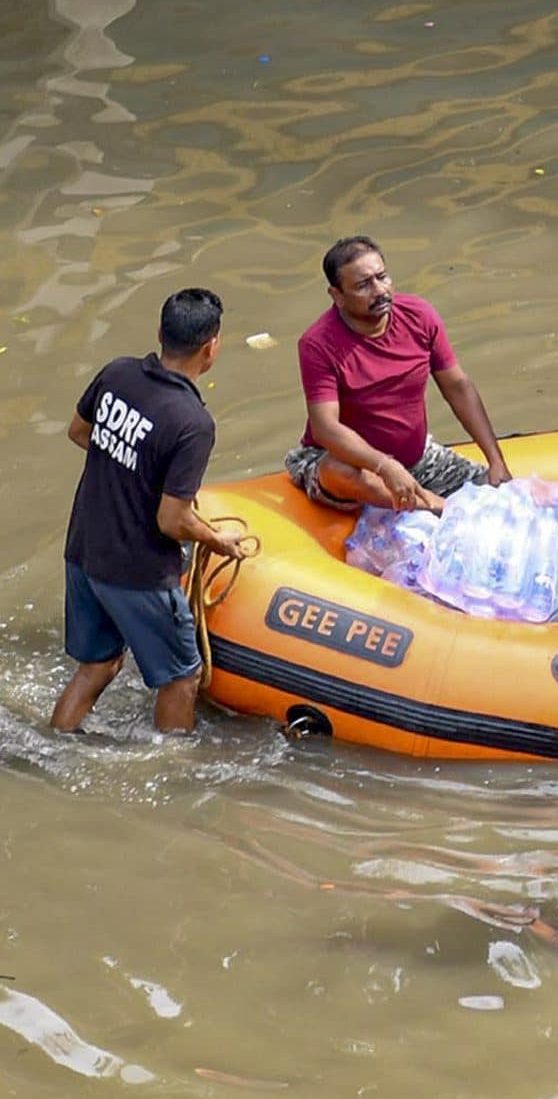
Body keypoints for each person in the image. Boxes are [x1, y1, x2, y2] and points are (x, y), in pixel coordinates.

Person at [53, 289, 243, 736]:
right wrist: (219, 540)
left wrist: (129, 470)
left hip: (85, 549)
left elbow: (80, 431)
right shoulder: (192, 422)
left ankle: (54, 741)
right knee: (181, 677)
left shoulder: (117, 373)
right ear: (211, 347)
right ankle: (170, 773)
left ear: (160, 333)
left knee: (98, 665)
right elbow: (171, 520)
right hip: (135, 570)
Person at [287, 236, 511, 514]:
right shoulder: (318, 343)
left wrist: (495, 459)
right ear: (337, 296)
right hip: (353, 465)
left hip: (418, 459)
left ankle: (427, 501)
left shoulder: (419, 315)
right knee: (339, 471)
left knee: (503, 495)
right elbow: (325, 428)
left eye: (382, 277)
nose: (379, 290)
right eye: (363, 285)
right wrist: (384, 465)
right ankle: (438, 508)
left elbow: (458, 386)